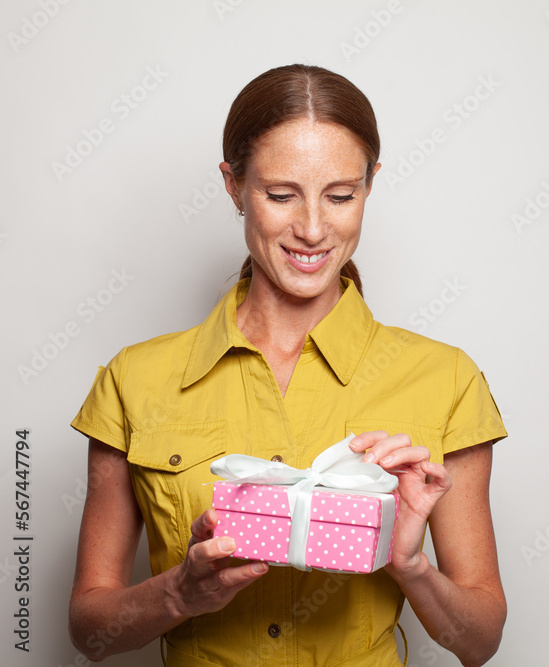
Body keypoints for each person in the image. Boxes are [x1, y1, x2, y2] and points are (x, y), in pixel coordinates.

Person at [68, 64, 507, 667]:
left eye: (341, 196)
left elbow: (481, 642)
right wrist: (180, 594)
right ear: (233, 184)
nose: (312, 229)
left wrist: (410, 565)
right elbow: (89, 631)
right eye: (280, 195)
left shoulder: (447, 381)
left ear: (370, 184)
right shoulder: (133, 381)